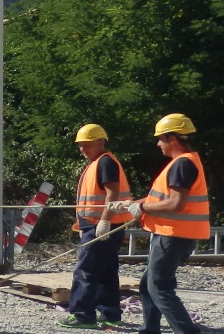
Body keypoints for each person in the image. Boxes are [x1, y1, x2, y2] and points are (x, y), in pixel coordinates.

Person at [109, 114, 210, 334]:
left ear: (172, 138)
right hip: (173, 234)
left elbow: (175, 203)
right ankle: (149, 329)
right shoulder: (183, 162)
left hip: (173, 235)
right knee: (148, 284)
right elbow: (159, 198)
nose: (157, 144)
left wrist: (142, 209)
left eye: (160, 139)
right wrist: (130, 204)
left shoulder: (182, 164)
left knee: (159, 287)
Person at [59, 124, 134, 329]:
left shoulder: (105, 162)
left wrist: (104, 221)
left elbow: (113, 193)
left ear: (101, 141)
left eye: (87, 144)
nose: (83, 149)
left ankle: (82, 314)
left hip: (101, 225)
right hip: (103, 225)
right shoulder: (98, 163)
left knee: (86, 271)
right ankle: (110, 313)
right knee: (106, 271)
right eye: (81, 145)